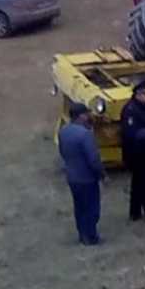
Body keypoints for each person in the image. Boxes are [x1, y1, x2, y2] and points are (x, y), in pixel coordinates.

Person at [58, 102, 105, 245]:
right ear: (81, 116)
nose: (89, 116)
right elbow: (93, 159)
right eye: (86, 114)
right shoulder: (85, 135)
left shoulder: (63, 131)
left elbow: (62, 152)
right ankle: (90, 236)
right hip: (87, 178)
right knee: (92, 208)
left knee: (79, 207)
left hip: (72, 177)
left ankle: (82, 234)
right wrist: (102, 175)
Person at [120, 81, 145, 223]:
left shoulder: (144, 108)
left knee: (139, 184)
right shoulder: (131, 110)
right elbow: (132, 134)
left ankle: (136, 213)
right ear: (138, 95)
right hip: (137, 154)